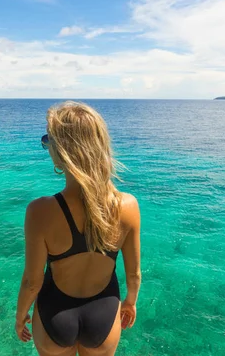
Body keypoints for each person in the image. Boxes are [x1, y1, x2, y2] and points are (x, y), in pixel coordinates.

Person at [15, 101, 142, 356]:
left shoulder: (40, 211)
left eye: (48, 140)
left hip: (55, 316)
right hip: (104, 315)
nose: (47, 146)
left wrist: (20, 316)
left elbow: (32, 281)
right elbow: (134, 273)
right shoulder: (127, 206)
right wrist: (131, 301)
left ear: (61, 152)